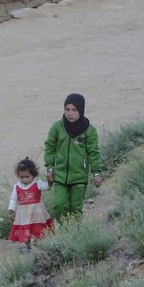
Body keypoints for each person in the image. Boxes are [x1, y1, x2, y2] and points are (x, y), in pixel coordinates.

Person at [44, 93, 103, 221]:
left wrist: (96, 173)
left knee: (75, 209)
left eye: (74, 110)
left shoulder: (89, 130)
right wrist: (50, 168)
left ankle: (75, 233)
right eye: (67, 109)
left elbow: (93, 152)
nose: (70, 113)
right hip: (59, 176)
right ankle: (66, 232)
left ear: (81, 110)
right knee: (59, 206)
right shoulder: (57, 127)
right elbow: (49, 147)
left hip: (79, 177)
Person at [8, 157, 53, 252]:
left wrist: (50, 182)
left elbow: (47, 187)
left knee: (37, 229)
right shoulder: (17, 186)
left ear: (33, 175)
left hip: (36, 213)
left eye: (27, 177)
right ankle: (25, 247)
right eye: (21, 177)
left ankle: (40, 245)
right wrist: (11, 210)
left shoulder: (37, 184)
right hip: (23, 214)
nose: (24, 179)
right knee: (25, 230)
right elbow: (13, 199)